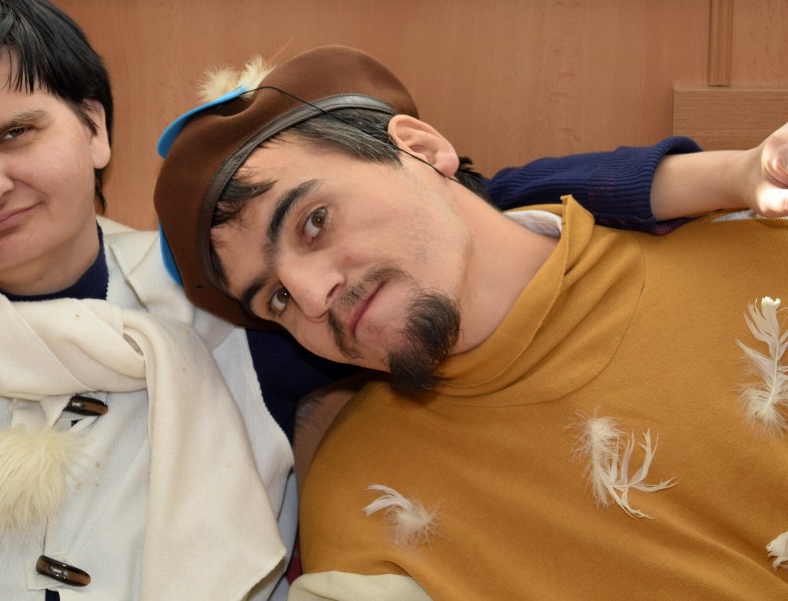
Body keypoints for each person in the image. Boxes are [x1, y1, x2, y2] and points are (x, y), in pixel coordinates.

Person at [0, 0, 747, 598]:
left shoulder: (233, 314)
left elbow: (465, 213)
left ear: (95, 129)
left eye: (17, 133)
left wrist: (713, 177)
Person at [153, 45, 788, 598]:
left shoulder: (761, 258)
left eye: (314, 221)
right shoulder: (362, 500)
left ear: (421, 149)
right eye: (276, 300)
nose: (313, 296)